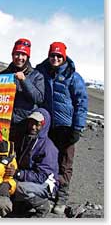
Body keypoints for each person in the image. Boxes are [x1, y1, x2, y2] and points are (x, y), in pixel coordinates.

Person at [36, 42, 88, 215]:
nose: (55, 59)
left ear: (64, 57)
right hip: (48, 126)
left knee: (65, 162)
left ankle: (62, 197)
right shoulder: (42, 71)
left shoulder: (73, 76)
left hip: (67, 127)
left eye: (59, 56)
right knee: (49, 160)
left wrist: (77, 127)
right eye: (53, 55)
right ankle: (50, 194)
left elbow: (81, 102)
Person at [5, 108, 59, 218]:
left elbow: (42, 176)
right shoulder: (27, 139)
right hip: (30, 177)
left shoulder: (47, 147)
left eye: (37, 124)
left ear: (44, 125)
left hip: (46, 184)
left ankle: (43, 206)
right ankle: (24, 205)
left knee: (19, 187)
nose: (33, 127)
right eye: (31, 123)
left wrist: (18, 174)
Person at [0, 38, 44, 147]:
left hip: (25, 124)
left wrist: (24, 81)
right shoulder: (3, 74)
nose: (19, 58)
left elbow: (38, 98)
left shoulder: (37, 76)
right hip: (5, 123)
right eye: (17, 54)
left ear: (28, 57)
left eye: (23, 55)